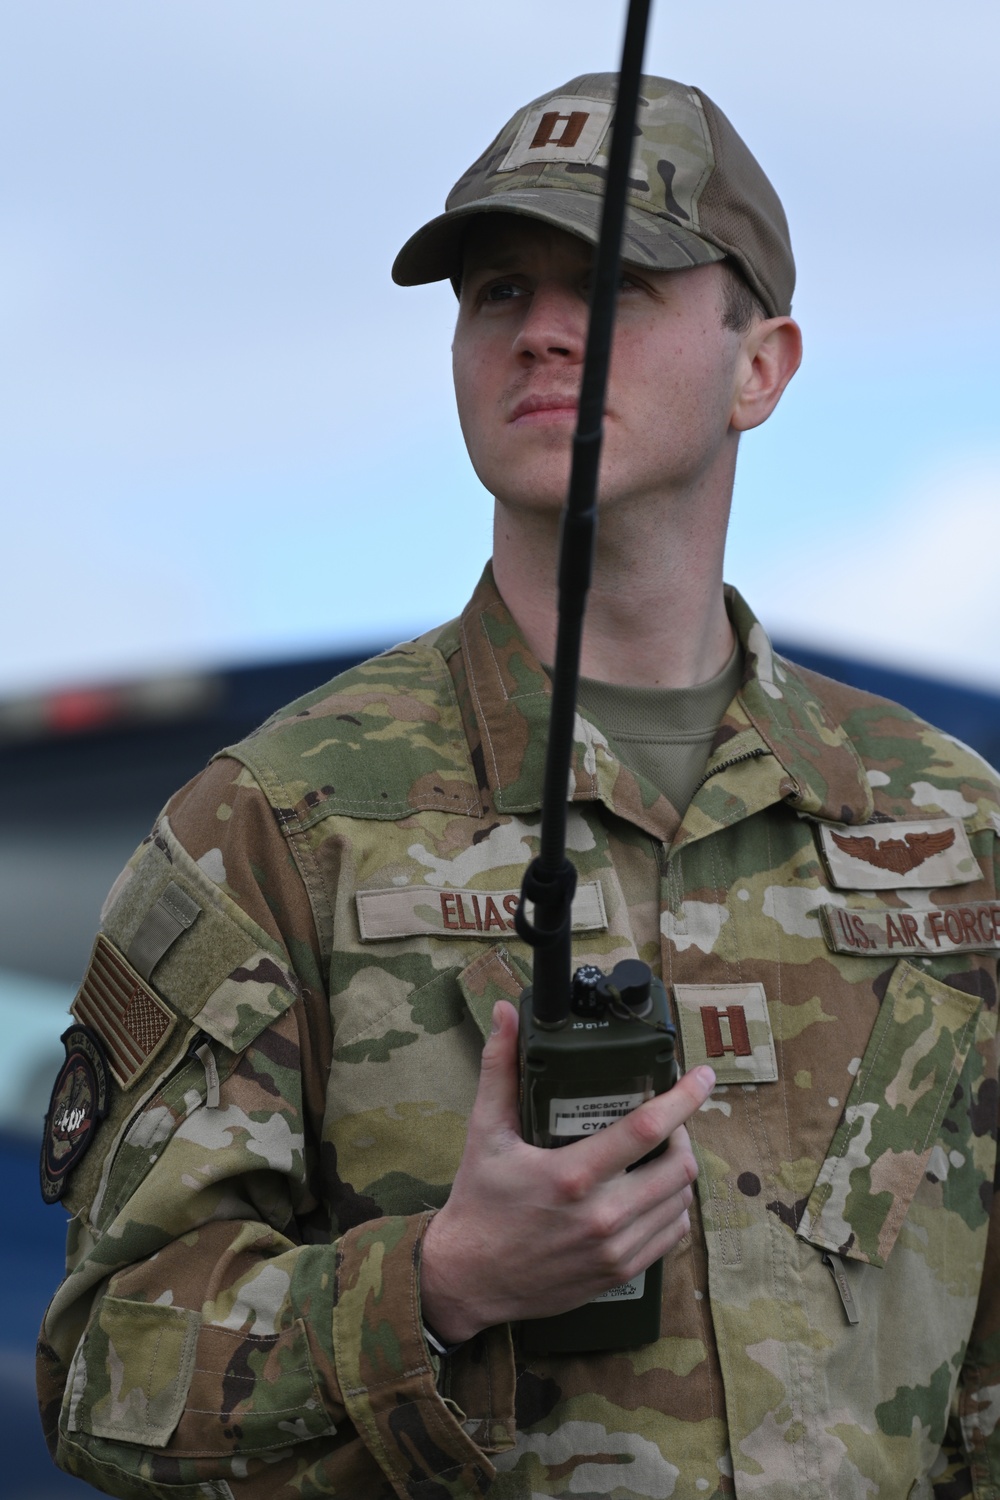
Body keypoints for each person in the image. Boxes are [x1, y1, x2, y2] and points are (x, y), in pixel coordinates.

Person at [37, 73, 999, 1500]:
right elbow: (104, 1377)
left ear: (763, 366)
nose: (544, 328)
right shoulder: (282, 823)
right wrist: (436, 1280)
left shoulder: (950, 831)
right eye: (497, 293)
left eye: (615, 282)